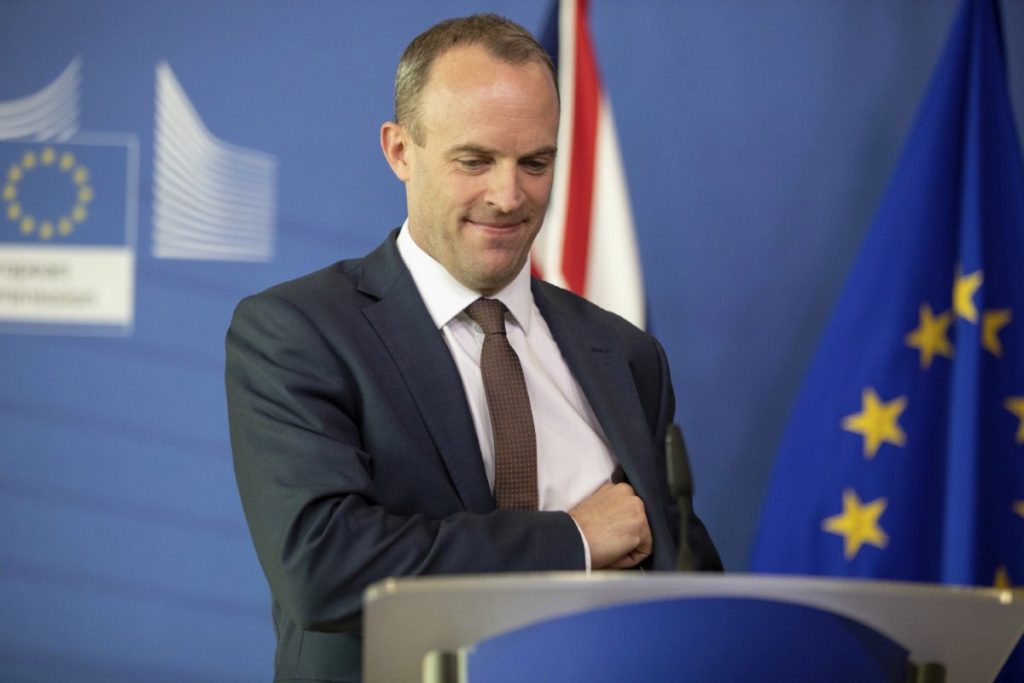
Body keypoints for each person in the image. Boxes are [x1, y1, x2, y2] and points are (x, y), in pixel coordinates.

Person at [226, 13, 721, 682]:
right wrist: (573, 539)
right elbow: (325, 566)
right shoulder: (299, 332)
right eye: (475, 160)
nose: (509, 194)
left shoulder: (626, 354)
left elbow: (689, 581)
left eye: (536, 162)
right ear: (400, 150)